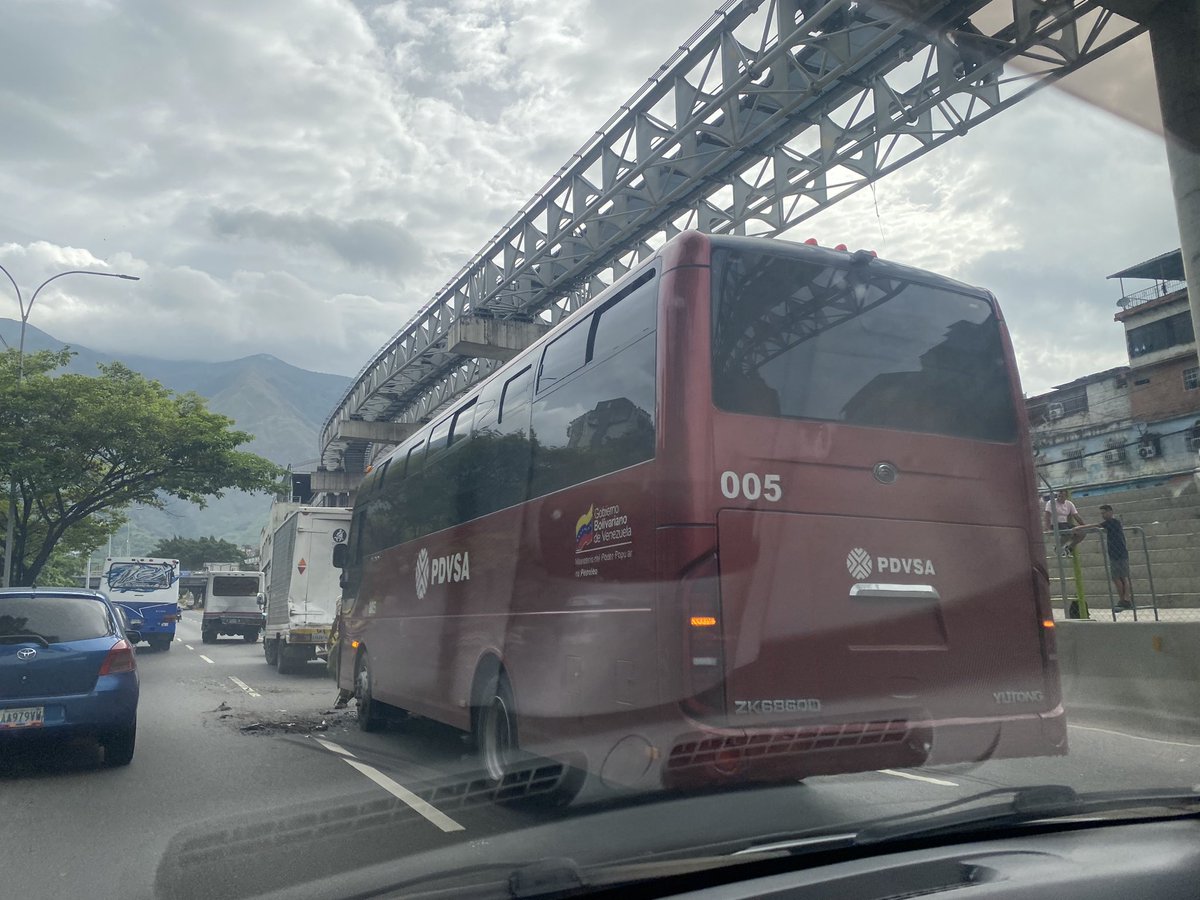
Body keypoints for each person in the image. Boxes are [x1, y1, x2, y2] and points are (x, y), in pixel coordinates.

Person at [1073, 504, 1132, 611]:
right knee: (1122, 577)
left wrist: (1080, 527)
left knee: (1118, 577)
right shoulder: (1114, 523)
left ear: (1110, 512)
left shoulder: (1112, 522)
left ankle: (1124, 599)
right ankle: (1125, 599)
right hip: (1117, 552)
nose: (1103, 515)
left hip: (1118, 552)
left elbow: (1096, 525)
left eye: (1104, 513)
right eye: (1101, 513)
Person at [1044, 489, 1084, 556]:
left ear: (1066, 497)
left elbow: (1076, 516)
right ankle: (1057, 547)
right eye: (1059, 496)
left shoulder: (1069, 503)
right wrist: (1047, 528)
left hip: (1065, 524)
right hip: (1055, 524)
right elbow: (1047, 516)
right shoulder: (1051, 502)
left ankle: (1069, 548)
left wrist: (1084, 525)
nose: (1060, 497)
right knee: (1068, 533)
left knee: (1082, 533)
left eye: (1062, 496)